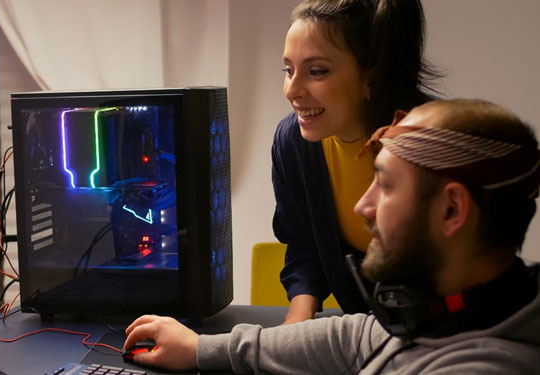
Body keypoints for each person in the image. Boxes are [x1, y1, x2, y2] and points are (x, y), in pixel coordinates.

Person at [124, 99, 540, 374]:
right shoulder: (450, 314)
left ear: (451, 210)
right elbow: (351, 336)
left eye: (387, 186)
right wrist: (200, 349)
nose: (363, 207)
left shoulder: (487, 366)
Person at [273, 0, 442, 324]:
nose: (292, 90)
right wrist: (299, 315)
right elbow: (302, 242)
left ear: (371, 77)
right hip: (361, 334)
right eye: (288, 70)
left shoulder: (433, 140)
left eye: (316, 71)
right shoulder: (292, 142)